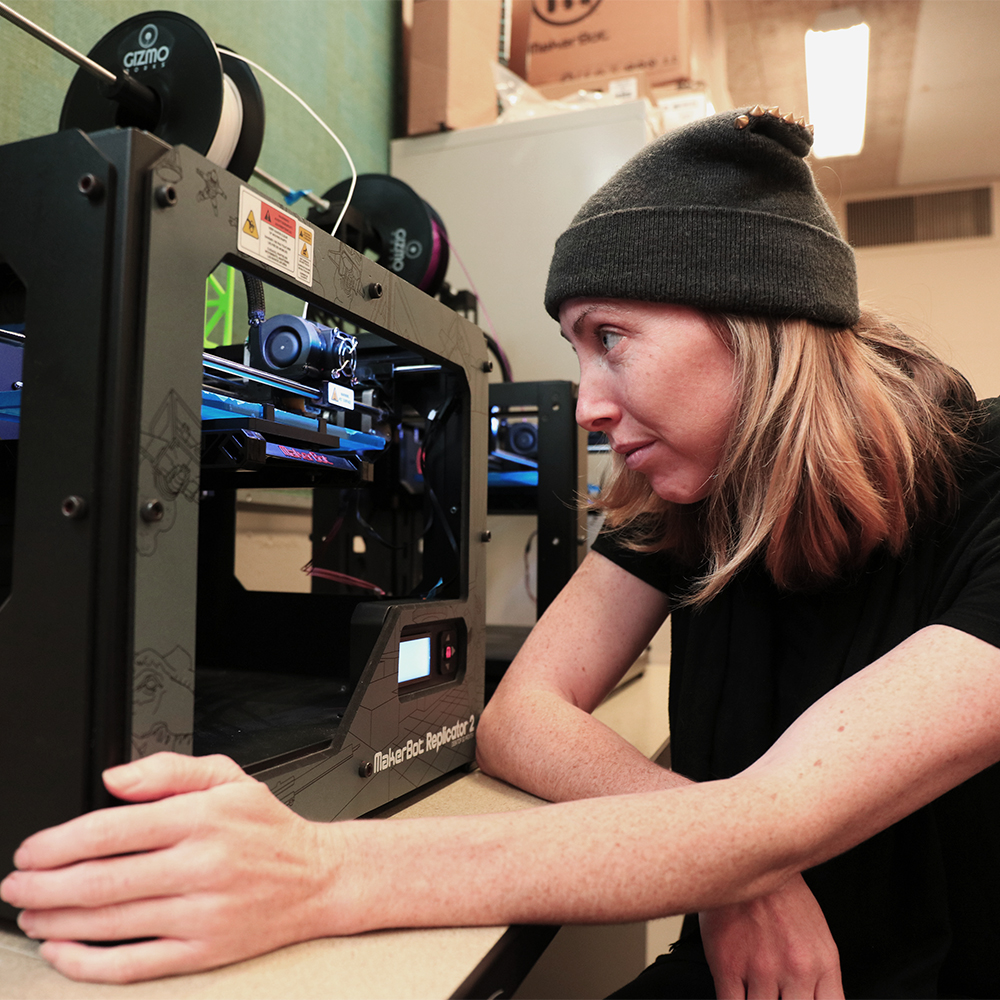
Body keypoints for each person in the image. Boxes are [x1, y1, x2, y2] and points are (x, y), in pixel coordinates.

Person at [3, 106, 1000, 998]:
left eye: (611, 335)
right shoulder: (682, 501)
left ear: (762, 324)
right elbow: (519, 716)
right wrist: (732, 862)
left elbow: (782, 810)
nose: (591, 402)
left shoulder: (986, 479)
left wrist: (317, 872)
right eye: (573, 348)